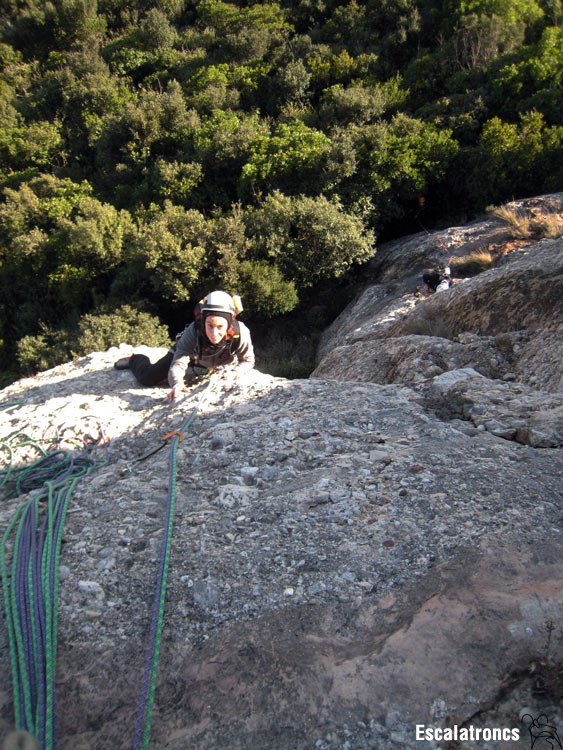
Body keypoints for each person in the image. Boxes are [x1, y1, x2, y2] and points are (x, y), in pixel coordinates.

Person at [114, 291, 255, 401]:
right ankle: (135, 358)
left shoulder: (240, 333)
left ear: (229, 324)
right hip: (192, 355)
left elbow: (248, 360)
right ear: (204, 320)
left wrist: (236, 372)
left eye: (220, 326)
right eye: (209, 325)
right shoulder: (194, 331)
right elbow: (179, 361)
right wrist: (177, 384)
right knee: (148, 377)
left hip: (217, 360)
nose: (214, 333)